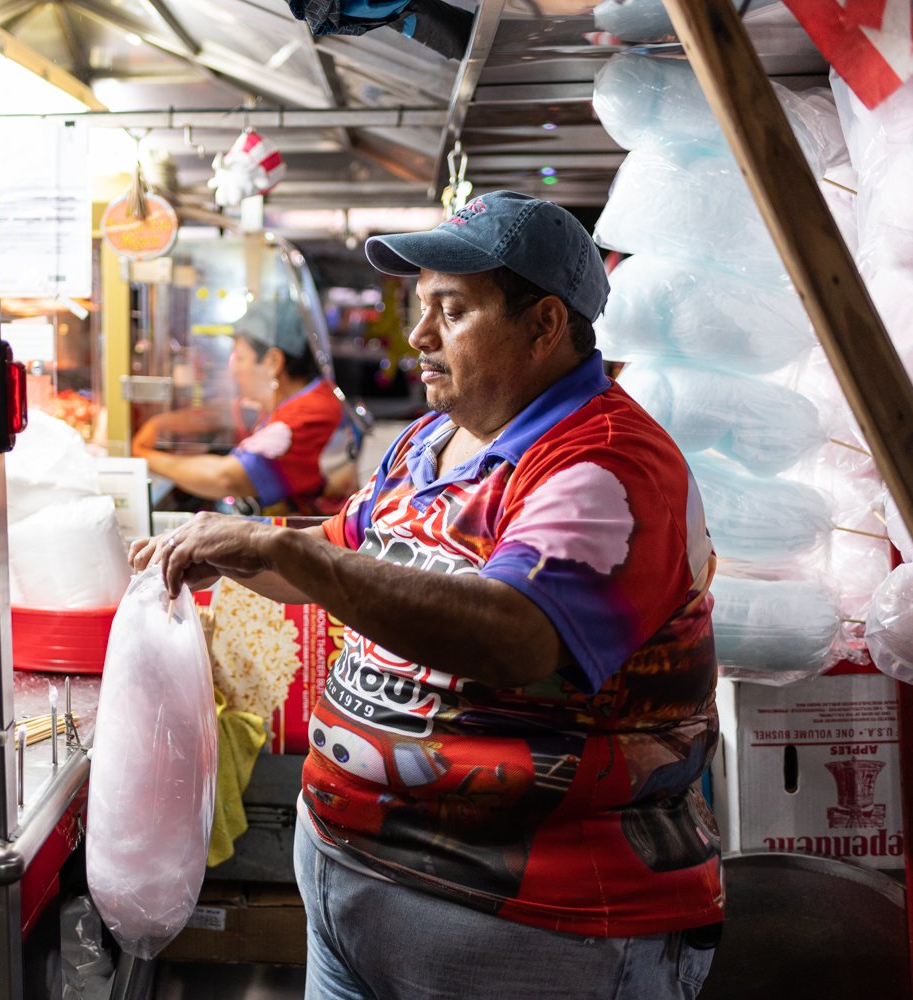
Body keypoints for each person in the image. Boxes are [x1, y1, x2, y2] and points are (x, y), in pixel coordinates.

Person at [131, 191, 722, 999]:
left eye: (451, 310)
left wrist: (276, 545)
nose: (418, 337)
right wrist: (223, 555)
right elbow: (341, 555)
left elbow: (515, 637)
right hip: (351, 879)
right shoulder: (430, 442)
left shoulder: (605, 467)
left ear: (545, 325)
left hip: (529, 925)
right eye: (421, 308)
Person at [131, 302, 346, 515]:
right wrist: (159, 424)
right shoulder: (299, 397)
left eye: (240, 358)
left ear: (273, 362)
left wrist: (143, 456)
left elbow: (225, 478)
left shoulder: (310, 414)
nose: (233, 370)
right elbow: (219, 416)